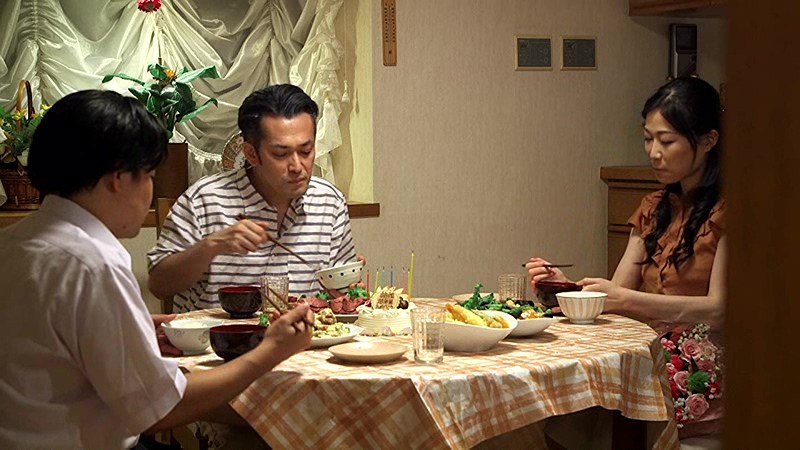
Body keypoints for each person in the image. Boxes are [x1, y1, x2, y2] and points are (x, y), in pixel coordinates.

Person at [0, 90, 314, 449]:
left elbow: (47, 337)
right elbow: (161, 409)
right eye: (149, 175)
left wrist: (134, 325)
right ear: (118, 179)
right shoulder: (93, 263)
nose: (150, 189)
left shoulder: (13, 242)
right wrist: (270, 351)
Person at [527, 77, 725, 442]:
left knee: (597, 406)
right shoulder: (654, 207)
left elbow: (719, 308)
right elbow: (616, 293)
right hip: (646, 349)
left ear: (709, 141)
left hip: (703, 361)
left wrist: (628, 300)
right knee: (560, 404)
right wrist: (560, 286)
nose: (654, 152)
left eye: (667, 141)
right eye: (648, 139)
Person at [148, 84, 361, 313]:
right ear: (251, 153)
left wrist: (346, 291)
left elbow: (342, 295)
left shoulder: (330, 202)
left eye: (306, 151)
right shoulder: (203, 201)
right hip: (218, 335)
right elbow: (159, 285)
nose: (297, 166)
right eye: (281, 154)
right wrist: (211, 246)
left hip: (306, 334)